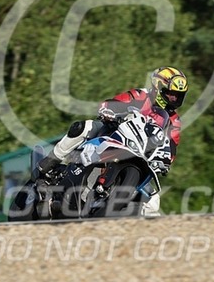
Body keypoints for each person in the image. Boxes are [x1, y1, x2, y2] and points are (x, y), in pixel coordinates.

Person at [37, 67, 188, 214]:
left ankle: (119, 222)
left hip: (141, 155)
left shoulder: (174, 121)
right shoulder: (141, 95)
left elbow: (171, 147)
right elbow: (113, 103)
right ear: (157, 87)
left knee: (153, 205)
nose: (174, 99)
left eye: (178, 95)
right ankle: (47, 167)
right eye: (170, 94)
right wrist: (108, 110)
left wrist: (166, 161)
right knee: (83, 127)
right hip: (114, 134)